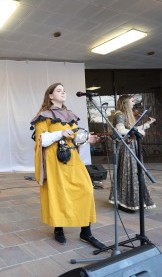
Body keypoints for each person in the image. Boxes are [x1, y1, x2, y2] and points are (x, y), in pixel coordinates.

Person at [30, 83, 106, 249]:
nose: (63, 92)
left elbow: (75, 137)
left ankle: (86, 232)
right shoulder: (44, 115)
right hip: (54, 161)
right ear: (50, 96)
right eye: (58, 90)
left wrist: (87, 139)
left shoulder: (69, 114)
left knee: (86, 189)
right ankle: (59, 229)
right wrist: (59, 134)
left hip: (72, 158)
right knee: (59, 194)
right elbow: (41, 139)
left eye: (64, 90)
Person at [108, 94, 156, 213]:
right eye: (132, 100)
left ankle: (134, 201)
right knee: (128, 174)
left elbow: (131, 130)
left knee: (134, 174)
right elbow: (121, 130)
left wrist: (147, 124)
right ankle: (126, 203)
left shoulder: (126, 115)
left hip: (131, 147)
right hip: (125, 148)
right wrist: (138, 130)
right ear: (125, 102)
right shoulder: (119, 114)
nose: (134, 103)